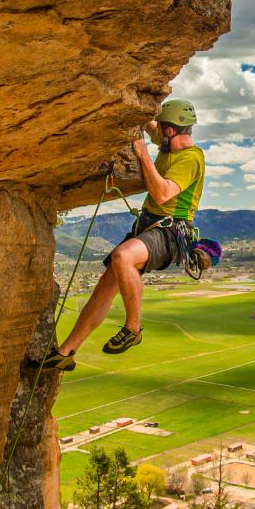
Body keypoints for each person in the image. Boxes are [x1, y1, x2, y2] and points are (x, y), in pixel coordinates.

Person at [36, 99, 205, 370]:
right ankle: (66, 353)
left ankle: (133, 328)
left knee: (123, 256)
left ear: (170, 131)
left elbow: (163, 194)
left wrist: (143, 155)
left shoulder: (191, 158)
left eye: (161, 129)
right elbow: (148, 124)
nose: (156, 133)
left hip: (170, 232)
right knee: (105, 287)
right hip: (150, 227)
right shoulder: (167, 141)